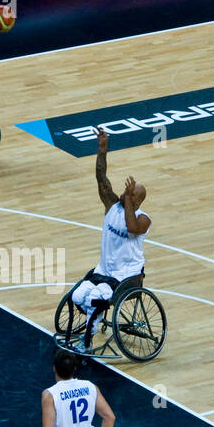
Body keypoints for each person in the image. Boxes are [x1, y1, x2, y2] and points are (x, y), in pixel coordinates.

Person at [70, 128, 150, 351]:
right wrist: (102, 149)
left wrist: (129, 205)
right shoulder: (112, 206)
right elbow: (101, 178)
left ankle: (86, 341)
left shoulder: (144, 220)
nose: (125, 194)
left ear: (139, 201)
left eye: (131, 194)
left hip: (127, 275)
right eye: (126, 192)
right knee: (78, 295)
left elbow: (132, 227)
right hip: (104, 271)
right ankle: (92, 322)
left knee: (95, 299)